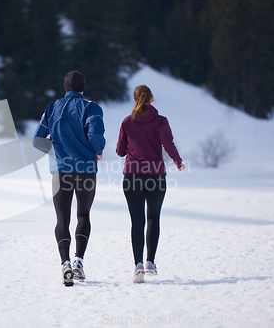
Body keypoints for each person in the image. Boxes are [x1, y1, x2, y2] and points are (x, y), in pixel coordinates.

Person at [33, 70, 105, 286]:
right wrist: (97, 150)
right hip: (86, 169)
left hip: (60, 171)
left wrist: (57, 150)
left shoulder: (51, 108)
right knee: (83, 215)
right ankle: (78, 262)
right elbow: (95, 136)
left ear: (65, 87)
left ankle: (64, 264)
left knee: (62, 219)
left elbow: (37, 140)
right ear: (83, 87)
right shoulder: (92, 107)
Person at [116, 85, 184, 284]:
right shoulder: (160, 121)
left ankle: (137, 265)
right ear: (152, 99)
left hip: (132, 176)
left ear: (135, 100)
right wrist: (178, 161)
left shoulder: (127, 122)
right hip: (155, 176)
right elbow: (168, 143)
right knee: (153, 217)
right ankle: (150, 263)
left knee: (137, 221)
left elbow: (120, 151)